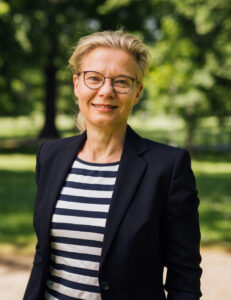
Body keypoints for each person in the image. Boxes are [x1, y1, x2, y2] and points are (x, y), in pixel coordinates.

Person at [23, 30, 202, 300]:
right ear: (76, 85)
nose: (106, 91)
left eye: (121, 82)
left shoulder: (168, 167)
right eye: (93, 78)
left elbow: (184, 275)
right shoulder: (50, 155)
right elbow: (44, 254)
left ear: (137, 92)